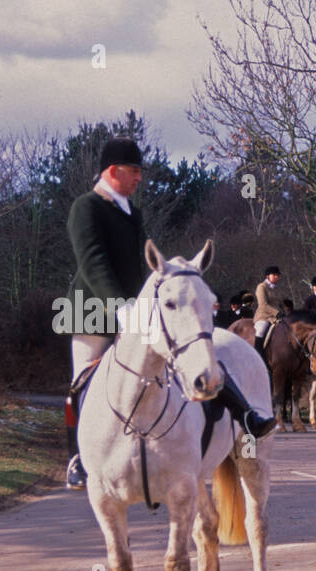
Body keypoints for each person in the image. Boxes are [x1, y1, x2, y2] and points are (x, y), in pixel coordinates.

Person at [63, 137, 275, 490]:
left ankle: (245, 414)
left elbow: (144, 265)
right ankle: (78, 460)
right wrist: (122, 308)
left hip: (138, 309)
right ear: (113, 171)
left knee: (191, 353)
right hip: (90, 313)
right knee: (81, 383)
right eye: (134, 172)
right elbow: (93, 264)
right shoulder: (85, 208)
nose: (139, 179)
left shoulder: (132, 211)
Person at [253, 266, 283, 348]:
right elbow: (263, 305)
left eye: (277, 275)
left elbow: (281, 303)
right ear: (267, 276)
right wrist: (277, 313)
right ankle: (258, 353)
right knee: (260, 331)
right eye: (274, 275)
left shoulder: (276, 289)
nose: (276, 277)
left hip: (277, 317)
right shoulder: (261, 287)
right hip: (264, 316)